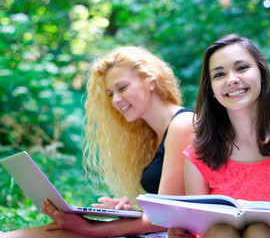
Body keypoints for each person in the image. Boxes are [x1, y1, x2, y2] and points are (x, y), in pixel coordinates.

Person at [1, 46, 194, 238]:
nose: (116, 100)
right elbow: (164, 208)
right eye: (110, 94)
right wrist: (132, 210)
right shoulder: (153, 136)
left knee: (73, 231)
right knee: (63, 229)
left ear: (151, 81)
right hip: (159, 233)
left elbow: (166, 217)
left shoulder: (183, 124)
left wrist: (91, 228)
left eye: (122, 88)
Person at [168, 34, 270, 238]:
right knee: (220, 232)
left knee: (258, 232)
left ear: (262, 73)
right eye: (219, 75)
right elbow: (200, 231)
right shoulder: (199, 155)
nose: (232, 80)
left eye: (241, 68)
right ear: (212, 91)